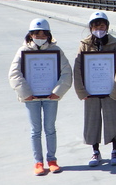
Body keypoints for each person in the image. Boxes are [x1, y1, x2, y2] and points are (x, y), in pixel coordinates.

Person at [9, 18, 72, 175]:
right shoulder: (23, 51)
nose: (40, 36)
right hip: (32, 98)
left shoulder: (56, 51)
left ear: (49, 35)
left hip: (51, 97)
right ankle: (38, 162)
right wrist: (26, 93)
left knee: (50, 129)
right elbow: (14, 74)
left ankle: (52, 160)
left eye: (44, 34)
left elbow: (66, 72)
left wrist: (57, 91)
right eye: (37, 33)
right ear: (30, 35)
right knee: (35, 130)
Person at [73, 11, 116, 167]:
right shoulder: (84, 44)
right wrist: (82, 91)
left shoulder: (115, 43)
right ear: (90, 27)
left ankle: (115, 150)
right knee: (92, 120)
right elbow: (78, 67)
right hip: (91, 92)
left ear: (107, 26)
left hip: (110, 90)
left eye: (101, 25)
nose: (99, 28)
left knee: (112, 120)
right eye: (95, 25)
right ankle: (95, 151)